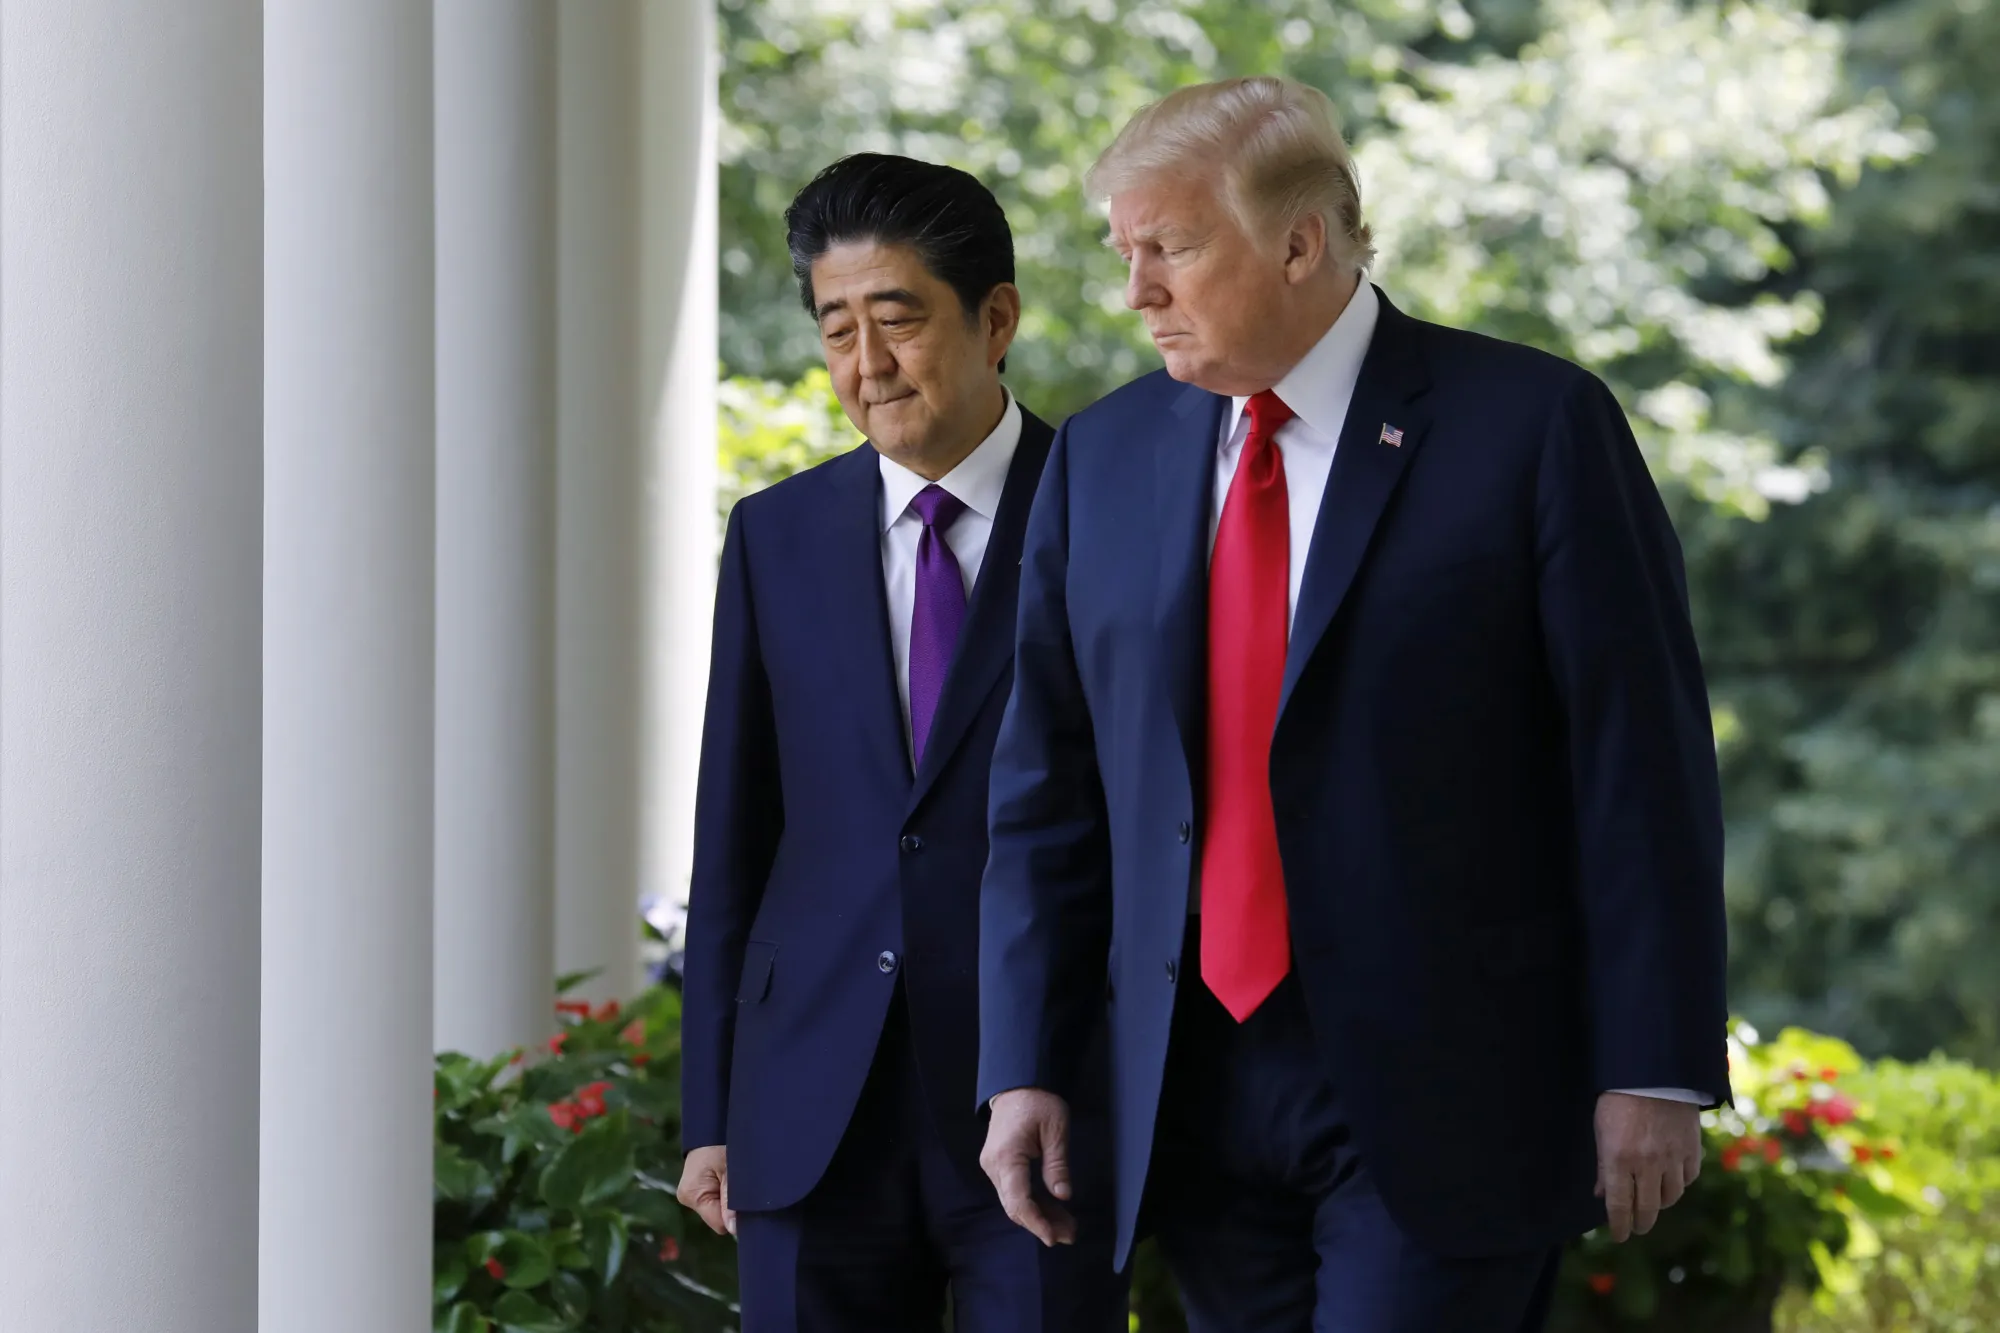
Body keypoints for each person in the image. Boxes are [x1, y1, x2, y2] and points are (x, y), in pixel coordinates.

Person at [976, 78, 1729, 1332]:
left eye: (1169, 248)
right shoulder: (1099, 458)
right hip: (1187, 1082)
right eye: (1123, 252)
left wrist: (1653, 1064)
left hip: (1449, 1087)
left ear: (1297, 242)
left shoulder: (1533, 427)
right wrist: (1023, 1065)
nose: (1135, 292)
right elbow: (1043, 789)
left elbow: (1636, 766)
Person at [678, 153, 1124, 1333]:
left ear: (995, 319)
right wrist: (710, 1111)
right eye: (836, 330)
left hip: (1041, 1093)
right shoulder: (774, 534)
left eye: (898, 319)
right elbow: (735, 830)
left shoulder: (1109, 509)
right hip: (808, 1099)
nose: (865, 364)